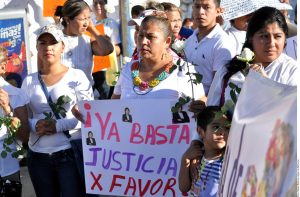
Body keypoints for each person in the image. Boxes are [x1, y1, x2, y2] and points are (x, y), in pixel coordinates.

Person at [21, 24, 94, 197]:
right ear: (37, 48)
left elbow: (89, 116)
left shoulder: (77, 76)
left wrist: (58, 126)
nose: (48, 47)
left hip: (69, 154)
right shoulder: (29, 81)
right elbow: (24, 117)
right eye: (43, 43)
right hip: (38, 157)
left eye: (53, 42)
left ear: (63, 46)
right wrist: (34, 124)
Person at [207, 6, 297, 107]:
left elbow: (290, 114)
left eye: (278, 36)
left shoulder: (292, 71)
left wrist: (266, 84)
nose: (271, 43)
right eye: (264, 36)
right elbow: (211, 109)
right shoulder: (227, 69)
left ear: (285, 39)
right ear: (250, 38)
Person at [111, 15, 205, 100]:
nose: (143, 41)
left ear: (167, 42)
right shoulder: (127, 69)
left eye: (150, 37)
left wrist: (199, 105)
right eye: (141, 36)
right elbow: (114, 105)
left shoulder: (183, 70)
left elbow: (201, 101)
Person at [184, 0, 235, 95]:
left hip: (207, 105)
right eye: (197, 6)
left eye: (207, 7)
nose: (200, 12)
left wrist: (206, 101)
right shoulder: (190, 40)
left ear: (218, 11)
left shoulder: (222, 42)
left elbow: (221, 84)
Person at [179, 106, 230, 196]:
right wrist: (185, 159)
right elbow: (184, 188)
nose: (222, 132)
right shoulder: (196, 158)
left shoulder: (226, 160)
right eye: (216, 127)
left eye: (226, 127)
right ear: (200, 131)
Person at [60, 0, 114, 84]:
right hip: (60, 93)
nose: (86, 23)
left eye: (88, 18)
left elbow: (108, 49)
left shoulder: (87, 40)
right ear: (67, 19)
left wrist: (93, 29)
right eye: (83, 19)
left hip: (85, 94)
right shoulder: (54, 39)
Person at [0, 45, 30, 197]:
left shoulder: (16, 95)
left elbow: (24, 136)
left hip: (7, 169)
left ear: (2, 67)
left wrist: (8, 110)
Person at [92, 0, 122, 99]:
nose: (98, 5)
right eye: (95, 3)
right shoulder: (90, 24)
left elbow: (118, 49)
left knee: (106, 100)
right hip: (91, 69)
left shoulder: (111, 24)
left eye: (101, 3)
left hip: (105, 71)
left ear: (106, 5)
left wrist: (106, 45)